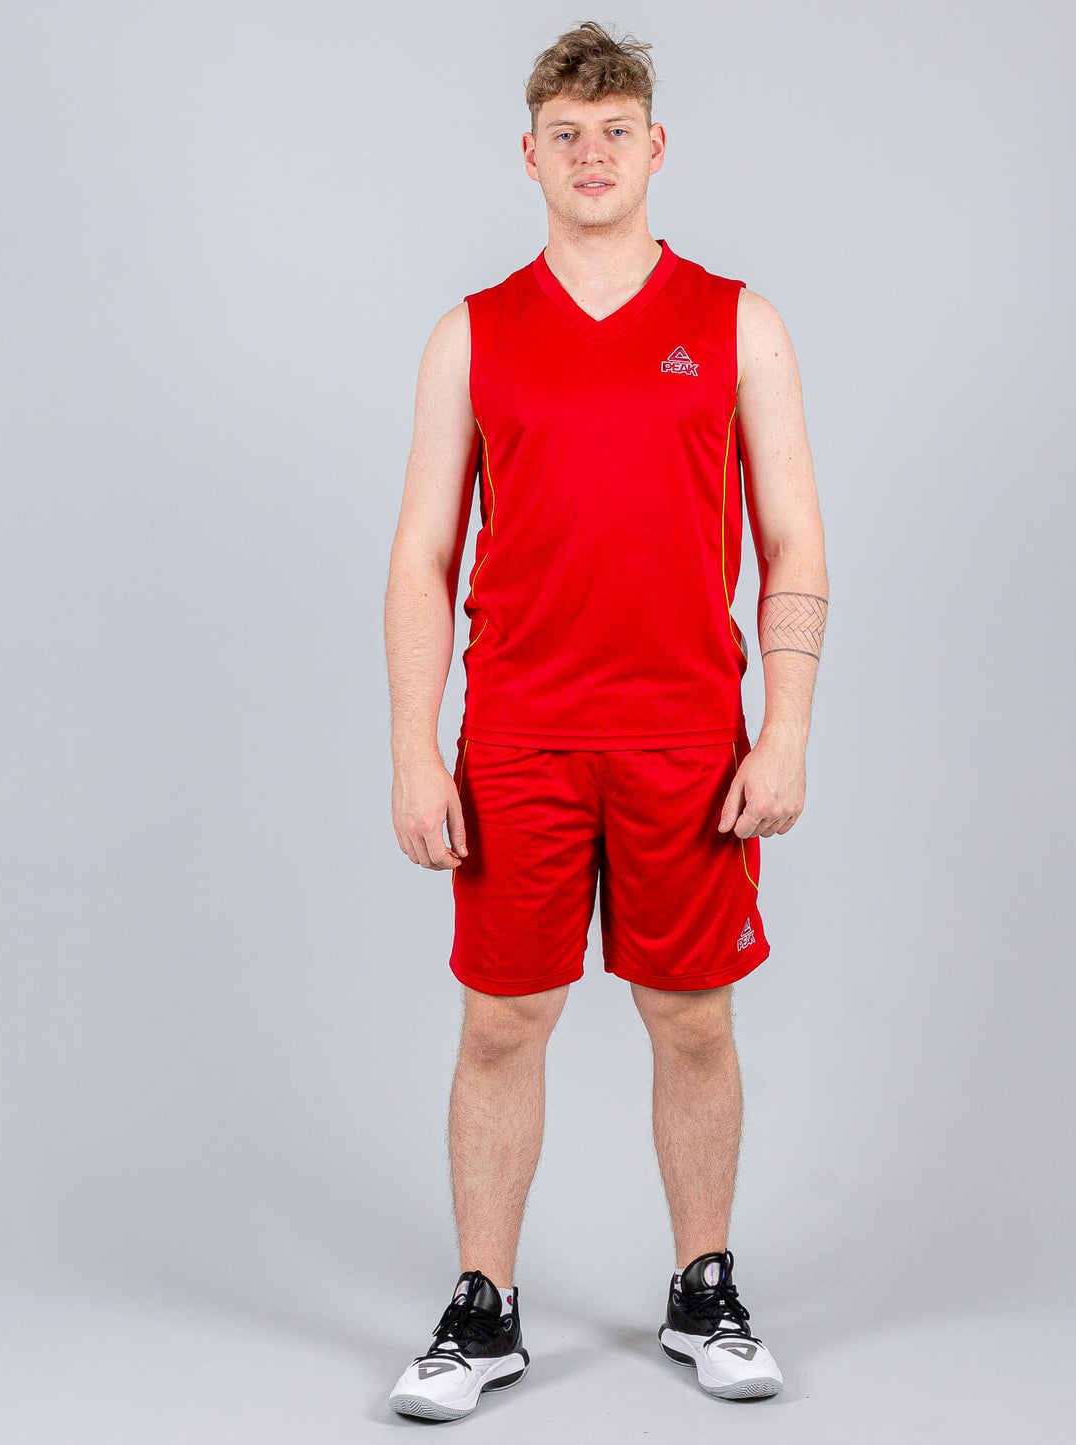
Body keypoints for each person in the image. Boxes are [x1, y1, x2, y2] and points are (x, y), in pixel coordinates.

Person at [382, 20, 827, 1422]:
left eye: (615, 130)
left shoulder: (737, 321)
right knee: (501, 1021)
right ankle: (483, 1309)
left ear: (655, 147)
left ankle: (704, 1286)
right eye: (567, 135)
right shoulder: (472, 332)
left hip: (685, 737)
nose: (592, 154)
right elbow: (421, 556)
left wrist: (785, 731)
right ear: (528, 154)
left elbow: (794, 543)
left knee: (691, 1017)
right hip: (518, 736)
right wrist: (414, 747)